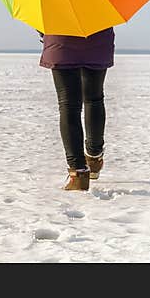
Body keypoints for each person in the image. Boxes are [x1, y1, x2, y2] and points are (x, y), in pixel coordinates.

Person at [37, 27, 114, 191]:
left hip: (61, 39)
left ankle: (78, 173)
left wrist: (42, 31)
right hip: (97, 38)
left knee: (68, 105)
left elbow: (41, 18)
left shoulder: (53, 0)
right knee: (94, 99)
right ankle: (94, 158)